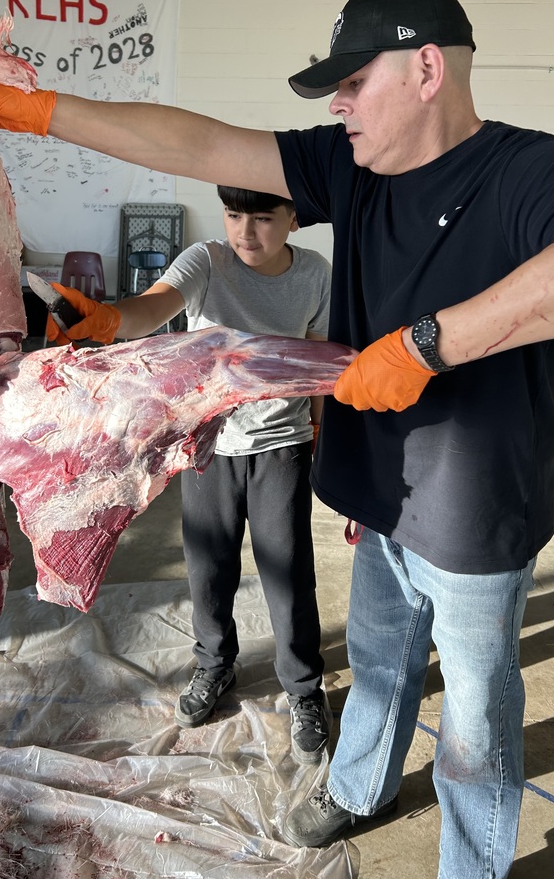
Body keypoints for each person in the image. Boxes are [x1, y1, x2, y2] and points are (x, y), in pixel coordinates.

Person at [0, 0, 554, 879]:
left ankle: (474, 865)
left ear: (427, 68)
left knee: (475, 708)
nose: (340, 103)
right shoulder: (348, 167)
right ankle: (358, 787)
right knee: (380, 660)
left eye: (355, 82)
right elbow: (200, 142)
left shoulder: (523, 169)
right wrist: (43, 112)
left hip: (476, 511)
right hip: (375, 490)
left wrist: (432, 344)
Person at [47, 184, 333, 764]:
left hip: (283, 443)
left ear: (294, 219)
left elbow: (317, 354)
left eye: (262, 219)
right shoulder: (207, 260)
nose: (245, 233)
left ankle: (304, 690)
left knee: (288, 571)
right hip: (209, 446)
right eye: (233, 216)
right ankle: (213, 666)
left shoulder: (315, 274)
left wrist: (324, 434)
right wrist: (108, 320)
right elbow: (153, 306)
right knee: (209, 567)